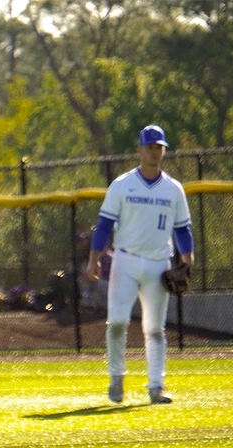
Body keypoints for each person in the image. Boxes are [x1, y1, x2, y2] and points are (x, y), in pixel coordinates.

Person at [85, 125, 194, 405]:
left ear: (164, 150)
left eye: (159, 147)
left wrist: (188, 257)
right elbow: (104, 225)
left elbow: (182, 229)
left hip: (159, 264)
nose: (155, 152)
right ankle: (116, 376)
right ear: (139, 150)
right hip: (126, 260)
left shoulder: (173, 189)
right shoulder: (122, 185)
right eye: (150, 147)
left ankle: (156, 386)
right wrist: (94, 260)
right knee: (118, 322)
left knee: (155, 329)